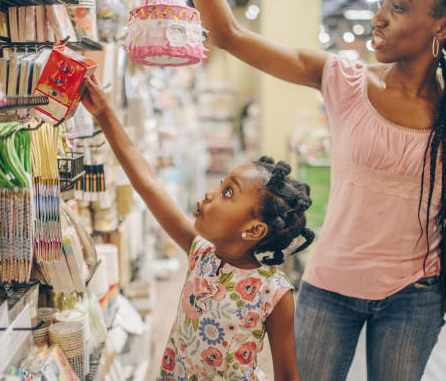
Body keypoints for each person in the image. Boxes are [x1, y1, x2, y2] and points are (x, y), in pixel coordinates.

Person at [190, 0, 446, 379]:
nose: (379, 17)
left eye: (398, 7)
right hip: (331, 288)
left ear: (442, 26)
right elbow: (229, 35)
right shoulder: (344, 79)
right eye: (383, 3)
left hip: (416, 294)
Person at [81, 75, 316, 381]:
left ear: (254, 230)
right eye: (221, 185)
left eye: (228, 192)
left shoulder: (274, 293)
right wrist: (104, 114)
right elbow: (148, 184)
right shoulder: (201, 254)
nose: (210, 194)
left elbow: (287, 375)